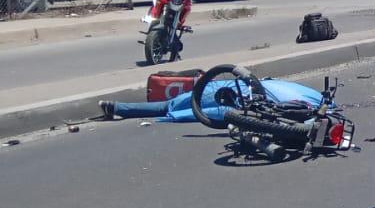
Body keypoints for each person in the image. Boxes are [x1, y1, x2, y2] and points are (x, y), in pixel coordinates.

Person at [99, 76, 324, 123]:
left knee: (167, 106)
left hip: (207, 90)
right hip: (204, 97)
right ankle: (118, 108)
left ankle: (117, 107)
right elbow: (210, 115)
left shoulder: (285, 89)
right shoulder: (304, 97)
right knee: (167, 108)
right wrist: (171, 118)